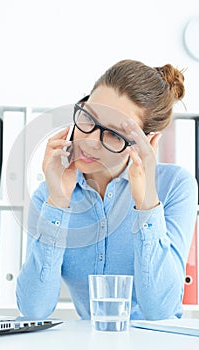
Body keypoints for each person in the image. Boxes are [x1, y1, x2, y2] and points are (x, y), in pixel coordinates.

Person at [16, 59, 198, 320]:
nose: (89, 142)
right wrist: (57, 203)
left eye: (115, 134)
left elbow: (160, 311)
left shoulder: (175, 186)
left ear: (147, 142)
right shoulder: (49, 194)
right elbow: (34, 309)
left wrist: (146, 203)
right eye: (89, 118)